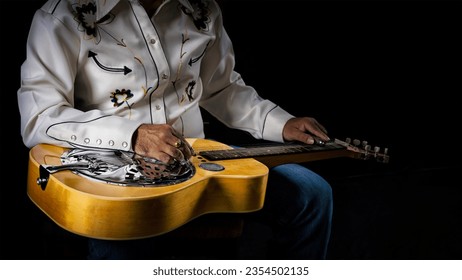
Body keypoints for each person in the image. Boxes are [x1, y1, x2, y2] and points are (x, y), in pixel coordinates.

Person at [17, 0, 333, 259]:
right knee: (123, 228)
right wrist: (133, 135)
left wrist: (281, 123)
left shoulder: (204, 10)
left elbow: (221, 89)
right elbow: (39, 117)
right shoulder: (62, 15)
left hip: (198, 164)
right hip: (112, 178)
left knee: (311, 195)